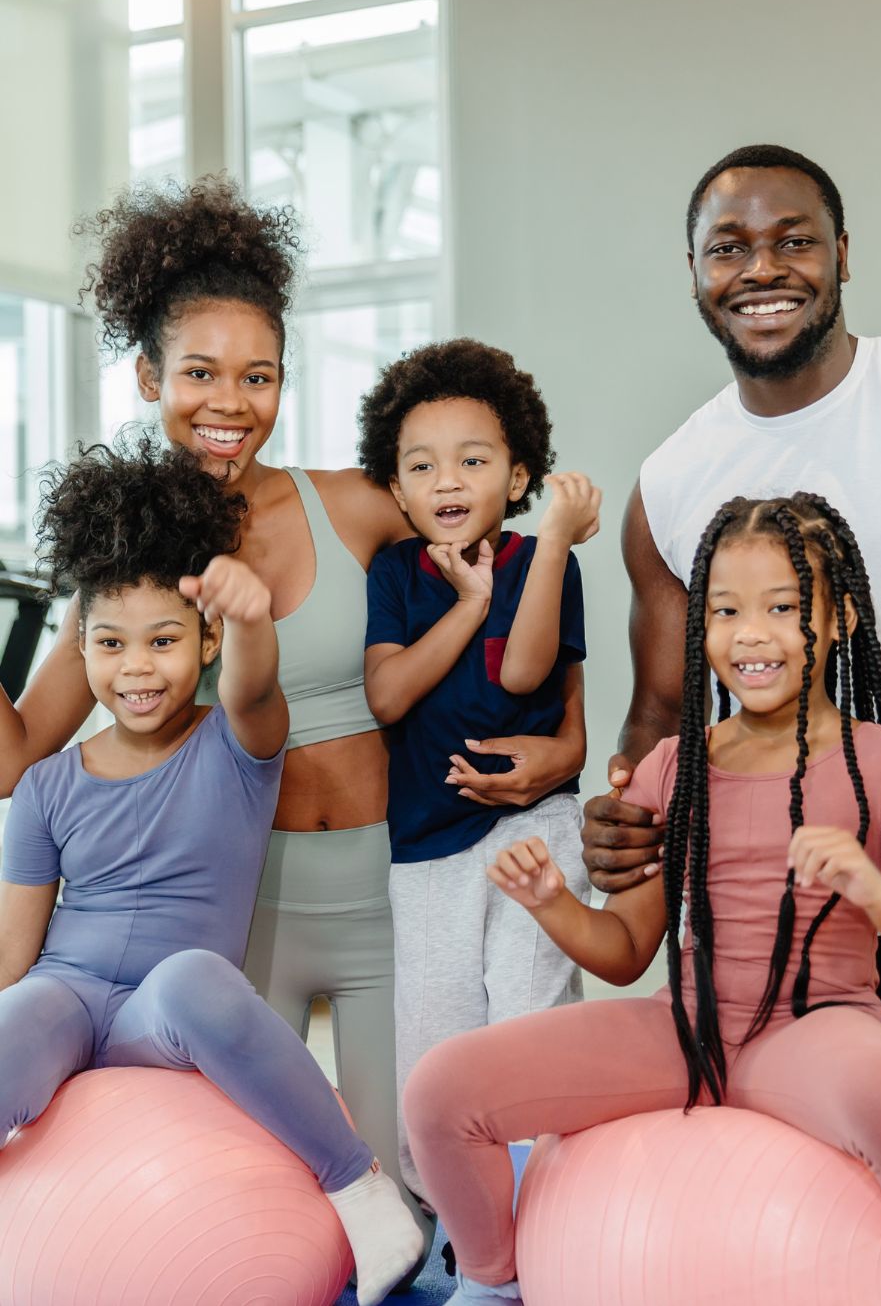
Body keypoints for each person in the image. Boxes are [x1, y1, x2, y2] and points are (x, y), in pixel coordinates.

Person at [0, 176, 587, 1272]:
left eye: (258, 375)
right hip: (242, 914)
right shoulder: (124, 576)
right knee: (264, 1206)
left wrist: (567, 747)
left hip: (386, 879)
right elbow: (20, 756)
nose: (230, 402)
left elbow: (500, 560)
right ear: (147, 378)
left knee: (411, 1177)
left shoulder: (355, 502)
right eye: (200, 374)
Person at [581, 143, 881, 1305]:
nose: (764, 268)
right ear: (695, 271)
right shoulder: (672, 483)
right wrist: (617, 819)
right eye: (730, 246)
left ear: (843, 254)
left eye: (794, 238)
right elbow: (661, 716)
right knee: (831, 1256)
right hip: (786, 942)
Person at [403, 494, 881, 1306]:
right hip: (685, 1031)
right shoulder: (679, 763)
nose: (751, 634)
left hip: (817, 1032)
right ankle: (492, 1285)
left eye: (783, 608)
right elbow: (628, 948)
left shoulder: (880, 763)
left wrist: (872, 888)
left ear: (839, 617)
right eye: (727, 610)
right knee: (442, 1090)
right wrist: (552, 903)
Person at [0, 438, 423, 1306]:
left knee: (195, 977)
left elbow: (256, 690)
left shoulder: (237, 746)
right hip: (69, 993)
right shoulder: (44, 786)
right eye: (111, 644)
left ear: (204, 640)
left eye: (162, 641)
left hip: (166, 1009)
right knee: (18, 1010)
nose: (137, 667)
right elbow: (15, 949)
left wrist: (255, 621)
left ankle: (362, 1189)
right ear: (81, 651)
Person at [358, 337, 601, 1198]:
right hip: (426, 844)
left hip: (532, 824)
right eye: (421, 466)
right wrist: (467, 602)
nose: (448, 481)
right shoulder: (394, 573)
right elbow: (388, 696)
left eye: (473, 459)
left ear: (519, 476)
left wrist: (554, 542)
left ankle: (545, 1203)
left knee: (527, 1013)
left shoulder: (545, 560)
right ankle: (458, 1223)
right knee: (436, 1036)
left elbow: (525, 673)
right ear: (396, 489)